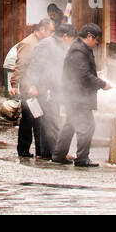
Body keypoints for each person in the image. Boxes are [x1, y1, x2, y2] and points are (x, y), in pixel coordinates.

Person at [52, 23, 110, 167]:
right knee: (87, 126)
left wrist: (97, 77)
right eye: (96, 40)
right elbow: (83, 75)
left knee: (71, 124)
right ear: (90, 36)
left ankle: (59, 155)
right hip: (77, 96)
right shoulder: (79, 51)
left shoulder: (82, 48)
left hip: (74, 95)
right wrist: (102, 84)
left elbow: (84, 72)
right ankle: (82, 158)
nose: (97, 43)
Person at [11, 18, 53, 159]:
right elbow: (20, 66)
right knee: (28, 120)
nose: (51, 35)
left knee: (38, 119)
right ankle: (23, 149)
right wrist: (14, 85)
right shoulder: (28, 43)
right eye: (50, 31)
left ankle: (40, 150)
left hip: (39, 87)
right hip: (29, 88)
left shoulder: (43, 43)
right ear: (42, 30)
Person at [31, 22, 75, 155]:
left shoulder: (58, 46)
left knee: (47, 122)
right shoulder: (46, 44)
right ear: (65, 36)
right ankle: (57, 153)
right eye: (71, 39)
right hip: (46, 88)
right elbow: (35, 65)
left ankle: (46, 153)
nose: (71, 43)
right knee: (52, 120)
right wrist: (33, 85)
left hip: (54, 88)